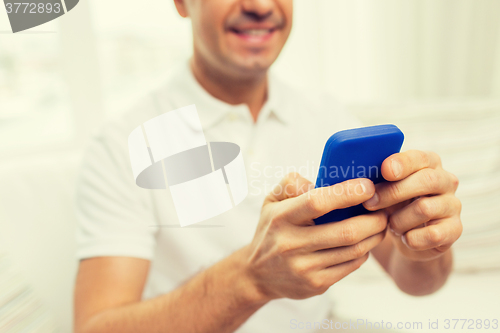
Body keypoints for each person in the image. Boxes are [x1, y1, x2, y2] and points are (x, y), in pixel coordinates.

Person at [73, 0, 463, 332]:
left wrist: (426, 243)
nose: (260, 6)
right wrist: (251, 279)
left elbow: (415, 280)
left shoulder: (326, 116)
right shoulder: (122, 145)